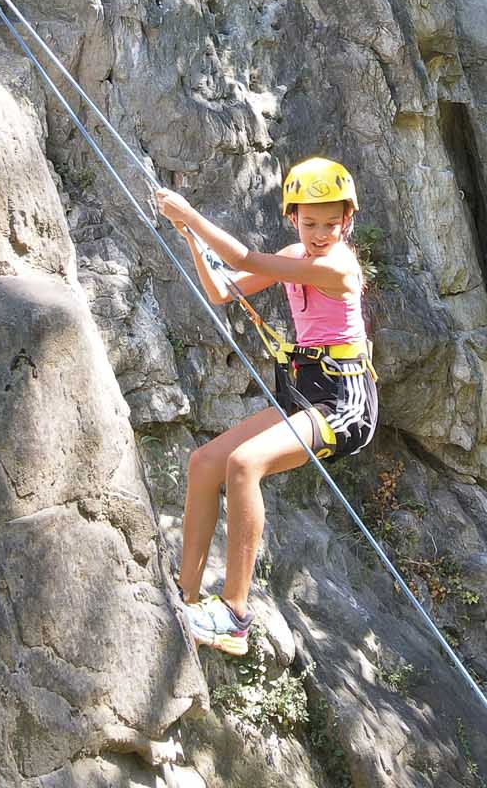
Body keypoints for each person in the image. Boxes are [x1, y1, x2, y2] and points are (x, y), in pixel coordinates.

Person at [154, 157, 378, 655]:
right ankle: (185, 596)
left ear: (347, 220)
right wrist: (189, 237)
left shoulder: (337, 265)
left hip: (345, 399)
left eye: (331, 223)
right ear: (293, 218)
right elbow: (221, 291)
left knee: (244, 464)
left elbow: (247, 259)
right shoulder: (297, 254)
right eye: (310, 222)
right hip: (306, 392)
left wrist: (191, 216)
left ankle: (234, 615)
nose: (320, 234)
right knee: (205, 462)